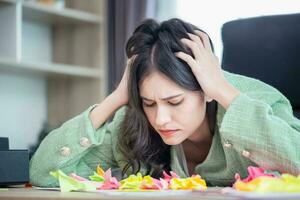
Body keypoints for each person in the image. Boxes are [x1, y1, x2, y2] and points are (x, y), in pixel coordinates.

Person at [29, 18, 300, 187]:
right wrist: (113, 101)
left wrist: (221, 90)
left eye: (175, 101)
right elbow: (43, 173)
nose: (160, 119)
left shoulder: (258, 100)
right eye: (149, 103)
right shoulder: (134, 123)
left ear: (205, 88)